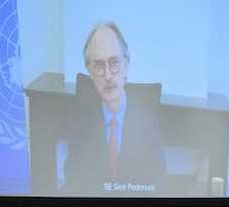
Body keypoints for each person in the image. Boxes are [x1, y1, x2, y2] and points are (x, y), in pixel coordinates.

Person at [63, 22, 166, 195]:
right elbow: (72, 178)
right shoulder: (81, 119)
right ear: (90, 71)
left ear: (126, 65)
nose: (108, 75)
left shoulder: (147, 120)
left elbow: (158, 180)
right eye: (99, 65)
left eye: (114, 62)